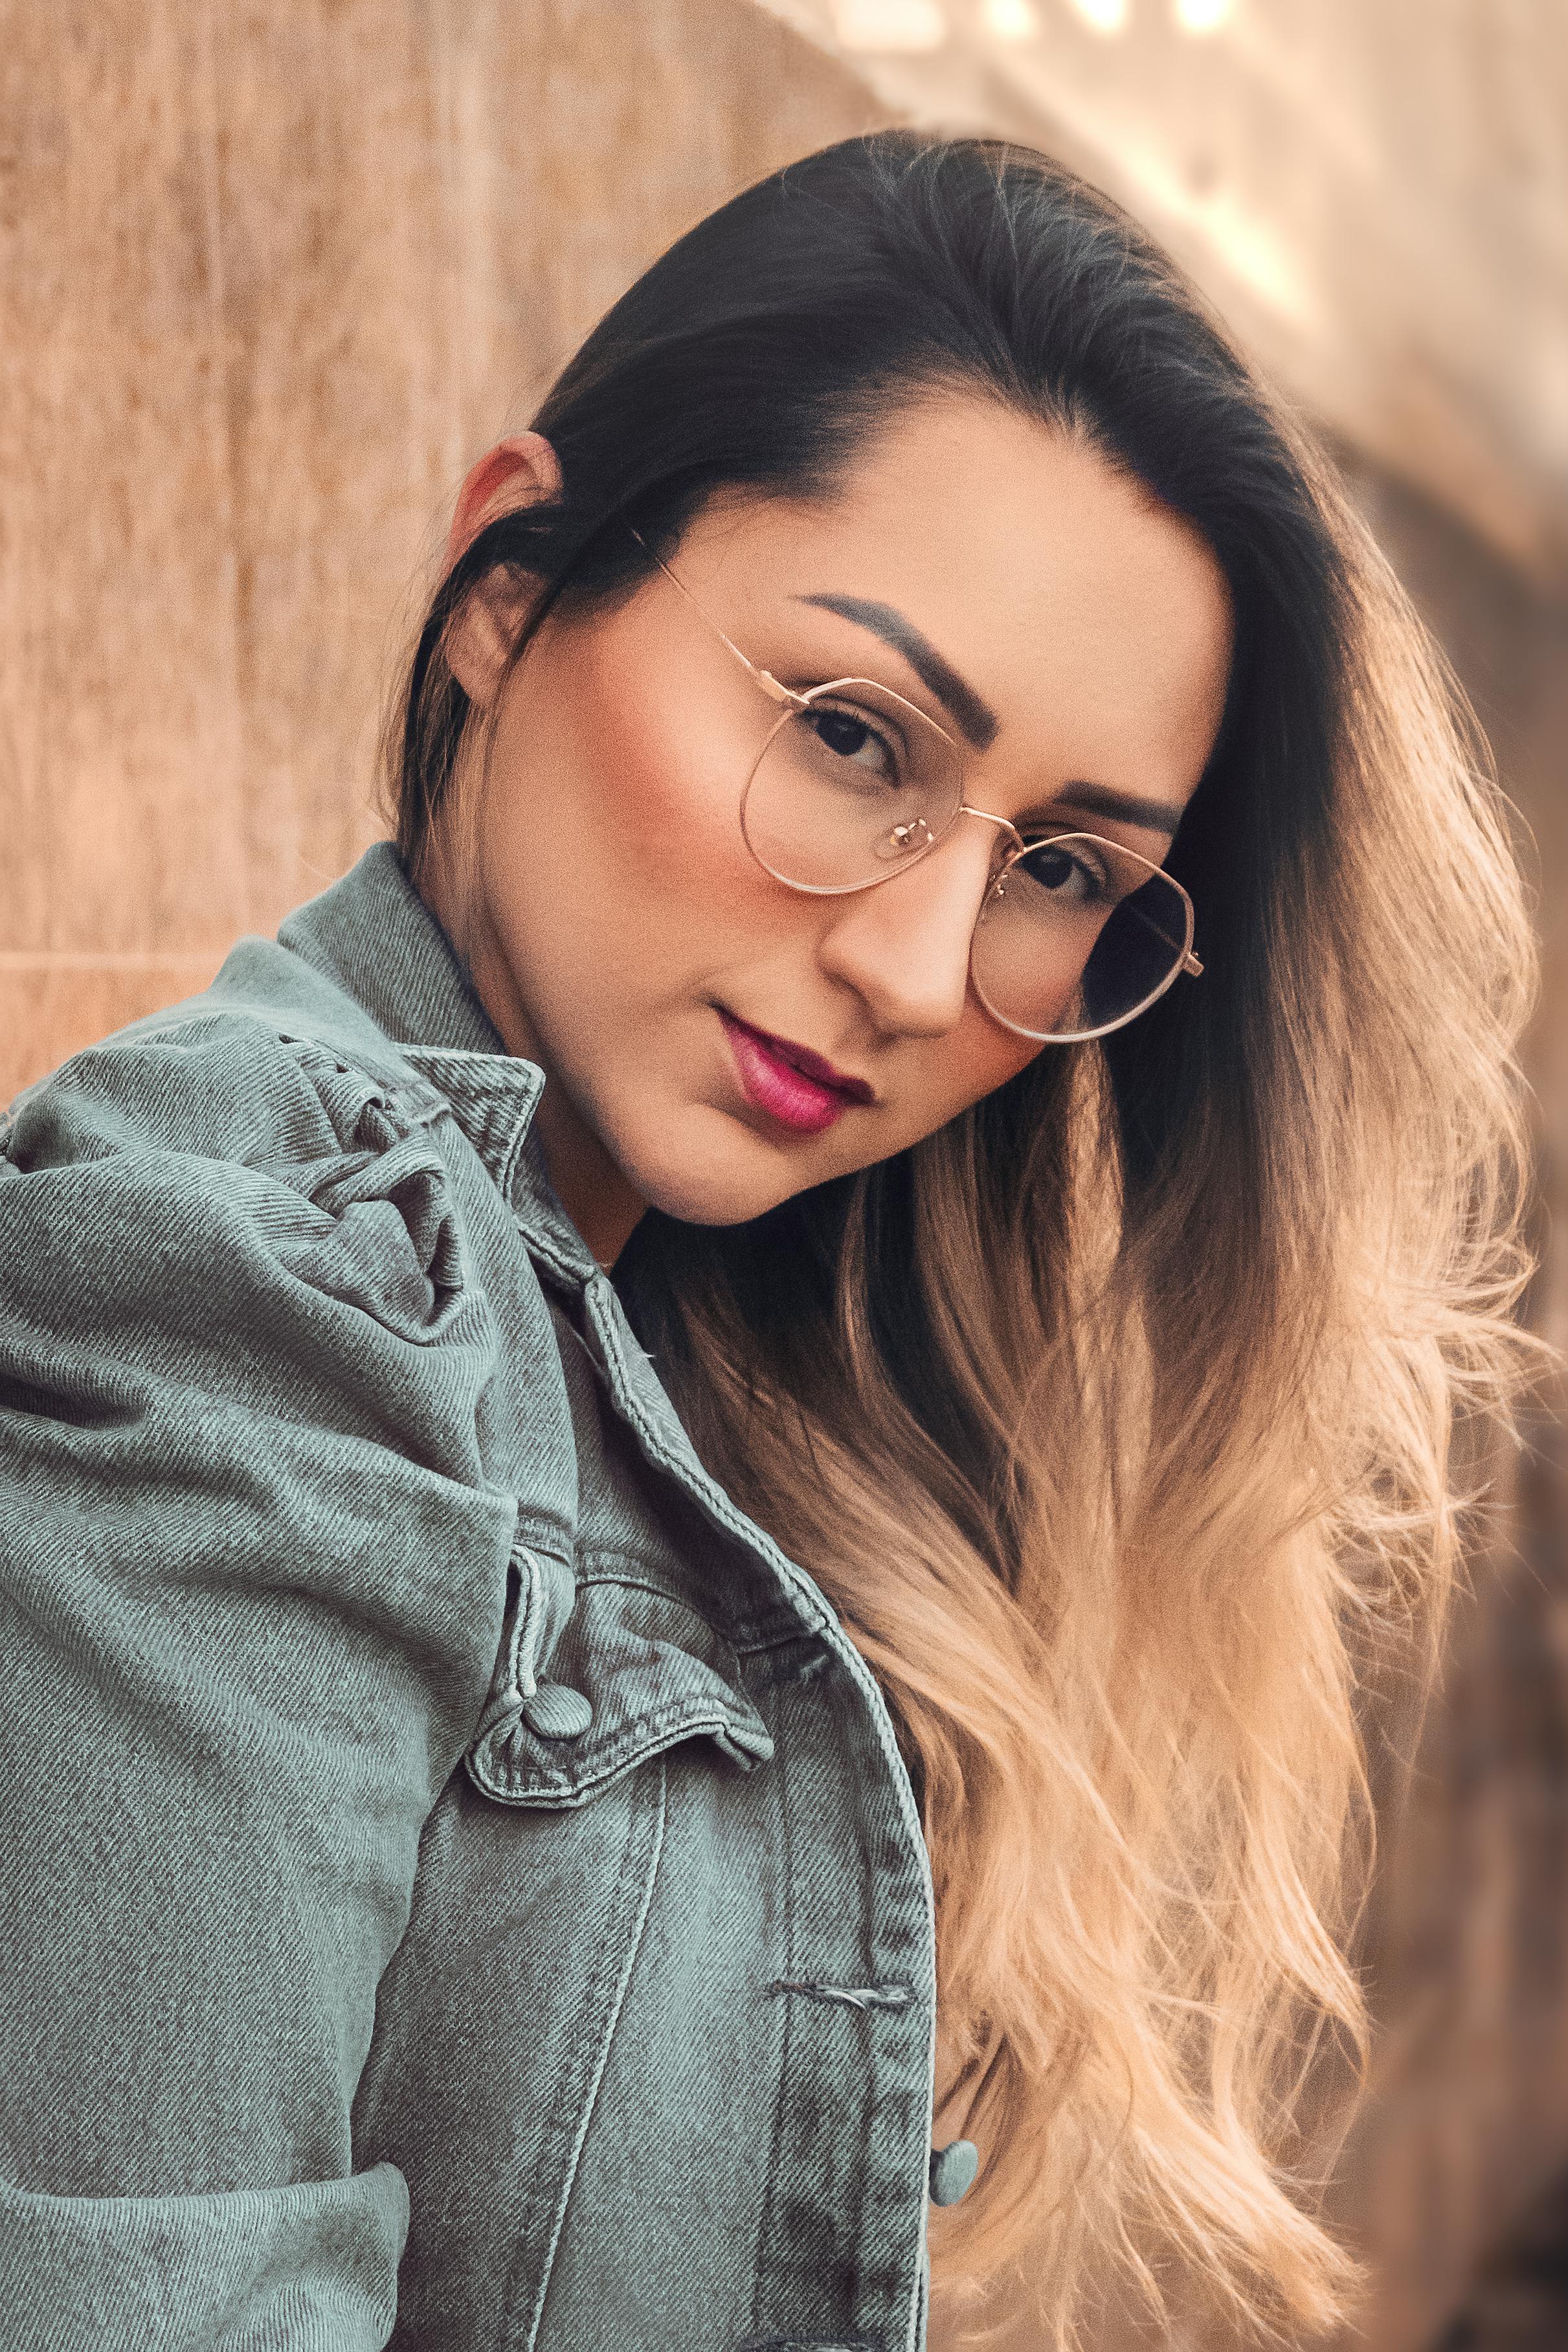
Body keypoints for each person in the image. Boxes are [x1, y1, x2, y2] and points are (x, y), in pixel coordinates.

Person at [0, 131, 1536, 2352]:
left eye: (1067, 872)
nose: (922, 969)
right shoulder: (261, 1293)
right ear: (510, 583)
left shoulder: (702, 1357)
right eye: (848, 734)